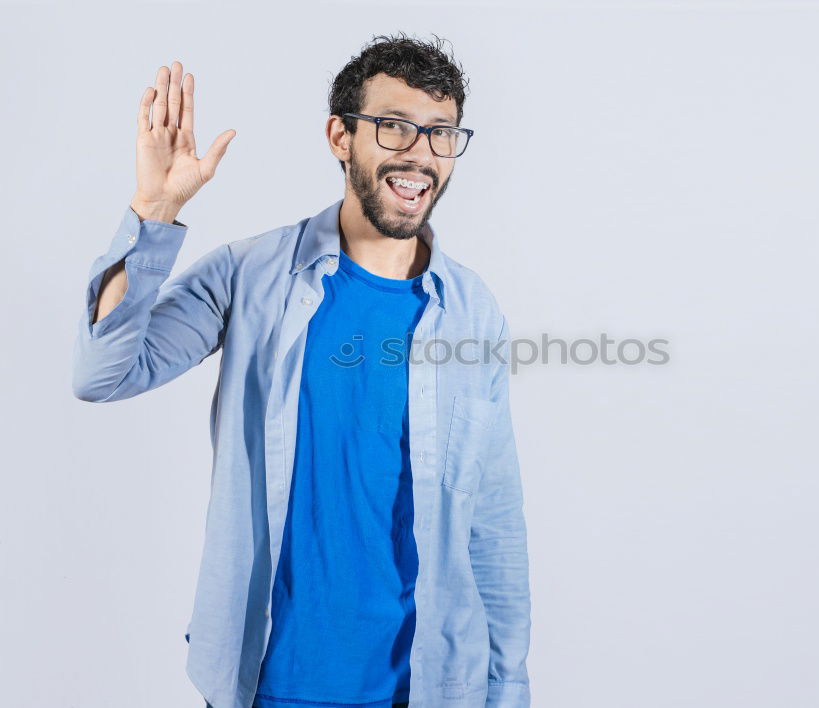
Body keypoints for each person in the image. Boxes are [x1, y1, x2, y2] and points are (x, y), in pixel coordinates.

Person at [72, 33, 531, 708]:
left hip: (429, 685)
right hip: (269, 683)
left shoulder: (471, 309)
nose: (420, 154)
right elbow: (105, 373)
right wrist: (154, 213)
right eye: (395, 127)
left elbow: (493, 522)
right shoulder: (249, 274)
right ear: (340, 136)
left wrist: (508, 687)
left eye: (440, 134)